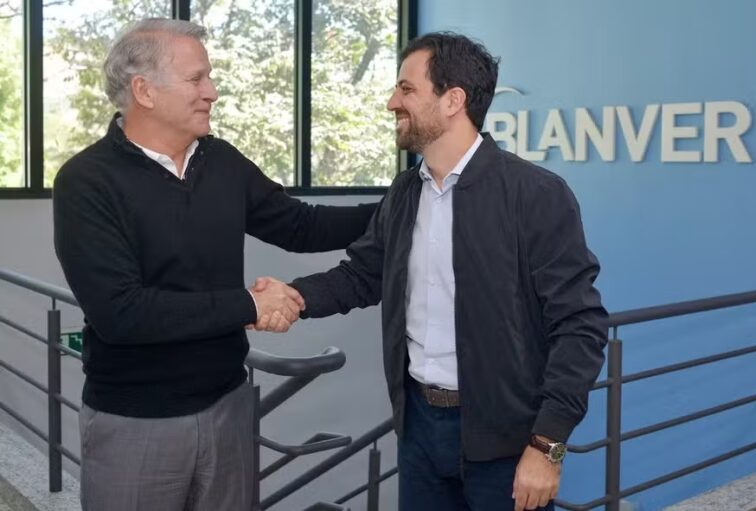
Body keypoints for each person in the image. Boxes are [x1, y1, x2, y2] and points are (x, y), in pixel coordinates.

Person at [257, 32, 608, 511]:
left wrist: (548, 443)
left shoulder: (537, 195)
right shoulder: (405, 192)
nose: (391, 102)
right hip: (420, 430)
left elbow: (580, 326)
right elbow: (362, 276)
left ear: (453, 100)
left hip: (508, 443)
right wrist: (291, 297)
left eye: (407, 89)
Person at [52, 18, 376, 511]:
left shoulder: (220, 160)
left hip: (229, 408)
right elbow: (122, 313)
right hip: (137, 423)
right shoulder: (86, 181)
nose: (212, 91)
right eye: (196, 78)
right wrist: (250, 304)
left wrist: (402, 207)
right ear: (144, 91)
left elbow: (300, 225)